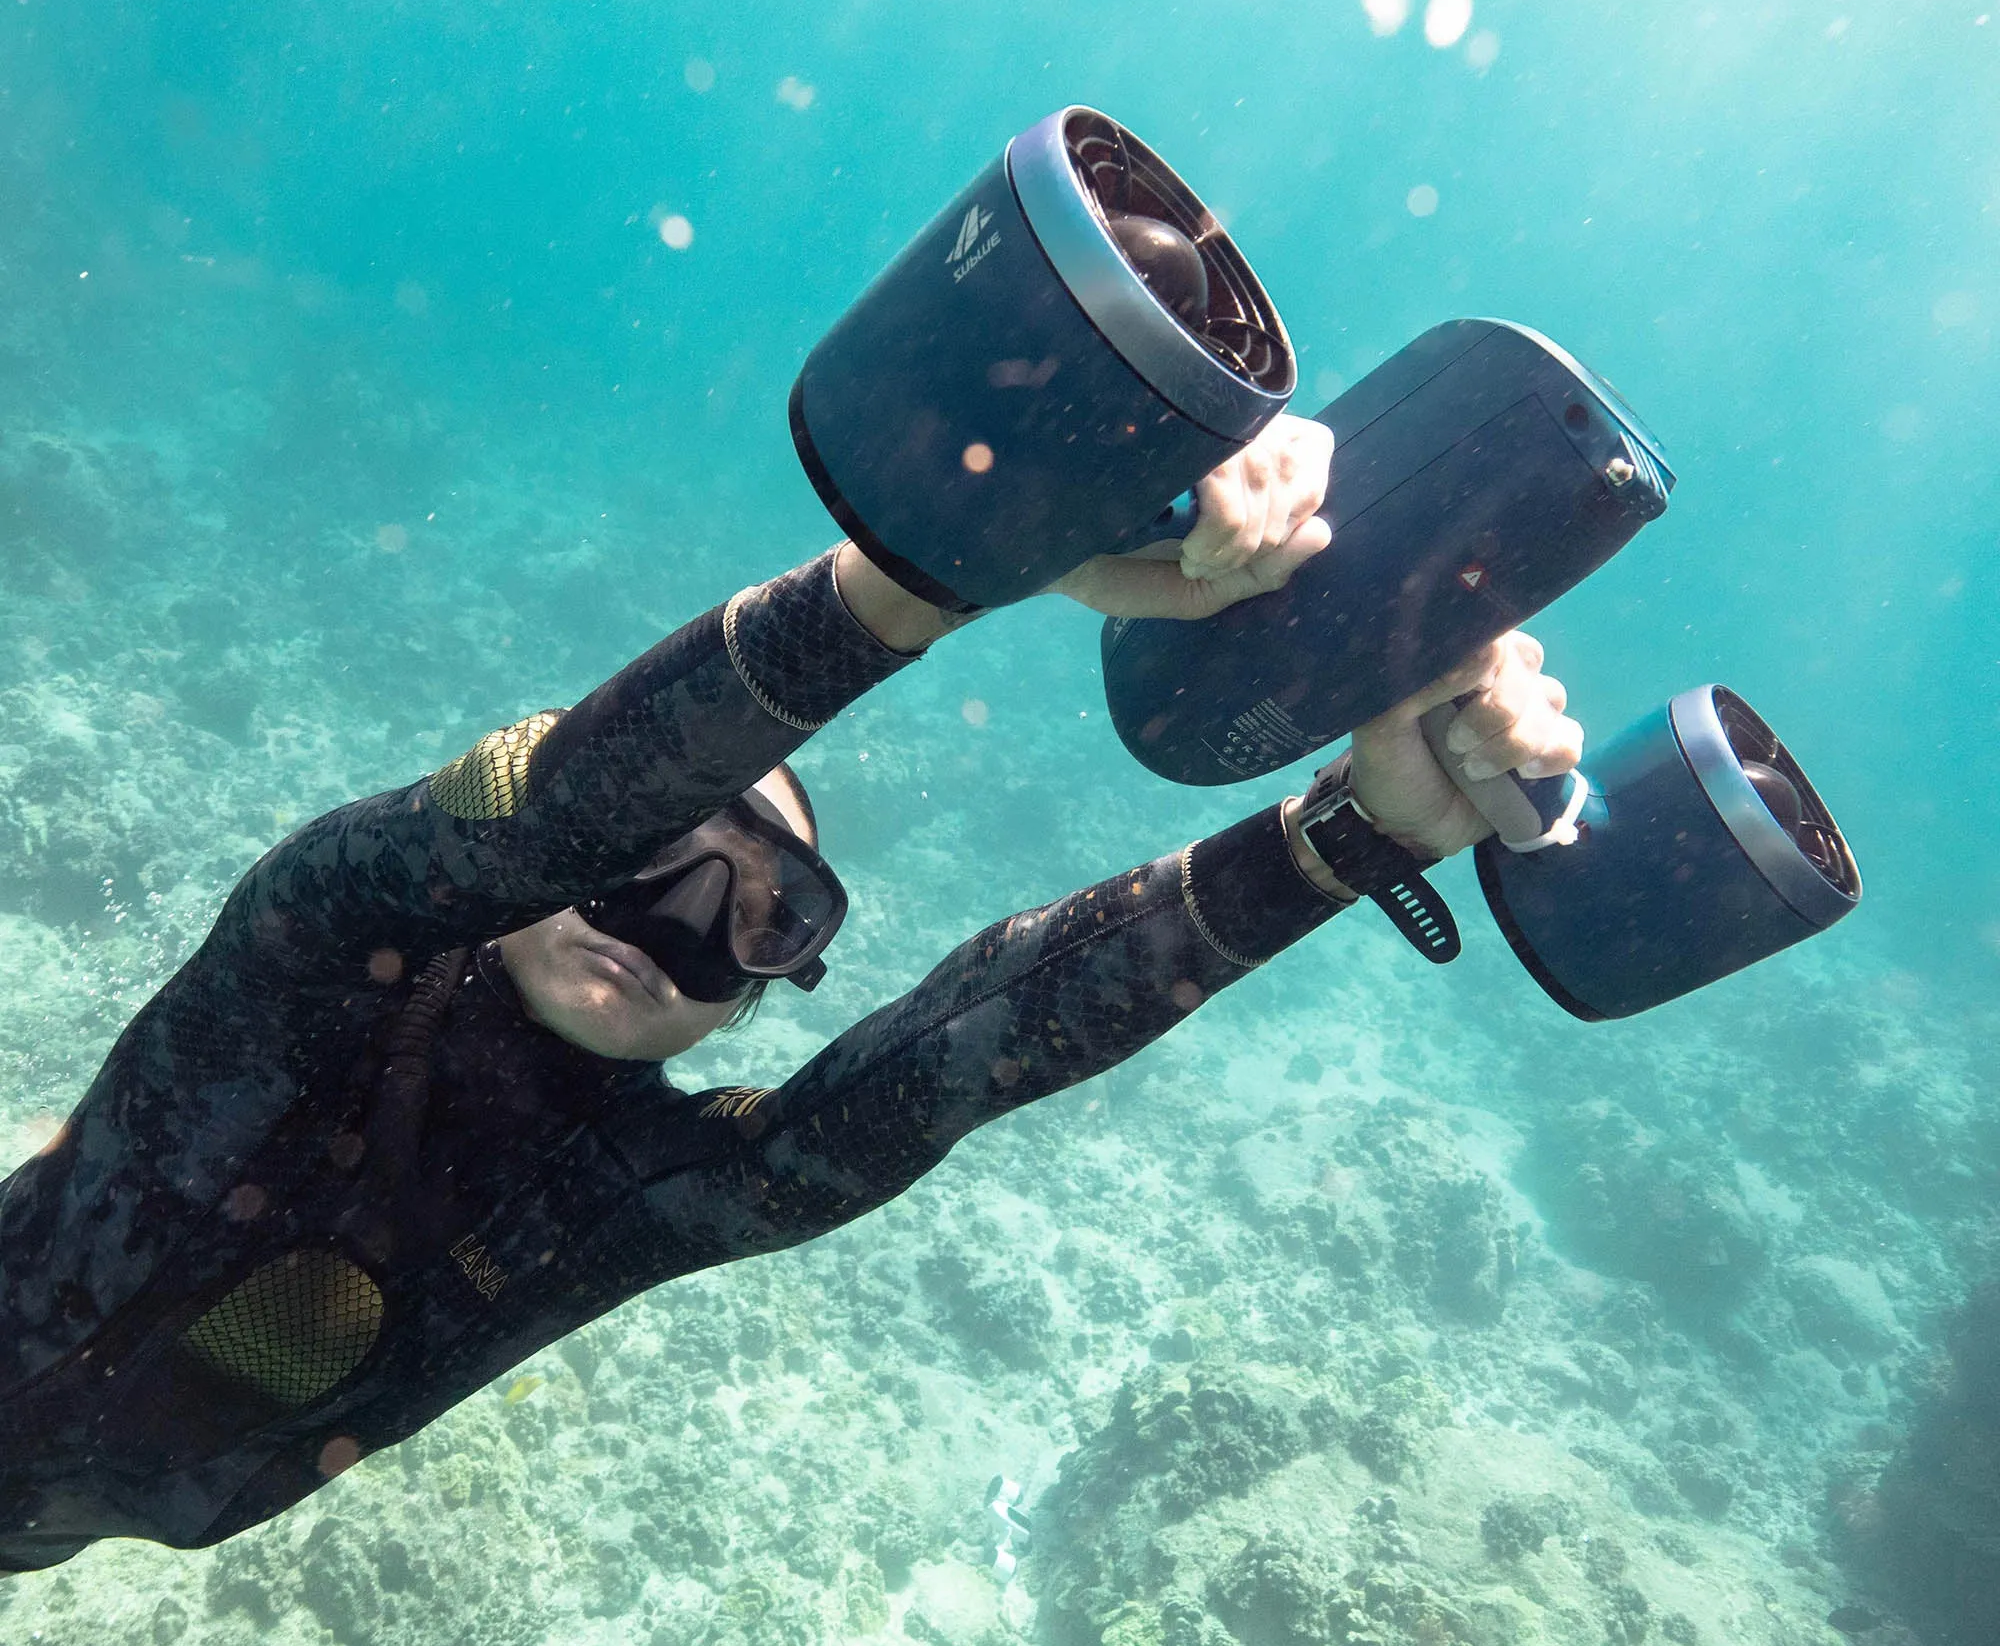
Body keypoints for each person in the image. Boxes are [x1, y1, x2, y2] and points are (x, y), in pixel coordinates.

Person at [0, 416, 1580, 1570]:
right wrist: (945, 570)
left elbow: (968, 1054)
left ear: (761, 995)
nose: (671, 924)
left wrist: (1354, 833)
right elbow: (530, 809)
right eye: (646, 852)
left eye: (756, 914)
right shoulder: (318, 954)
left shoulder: (622, 1196)